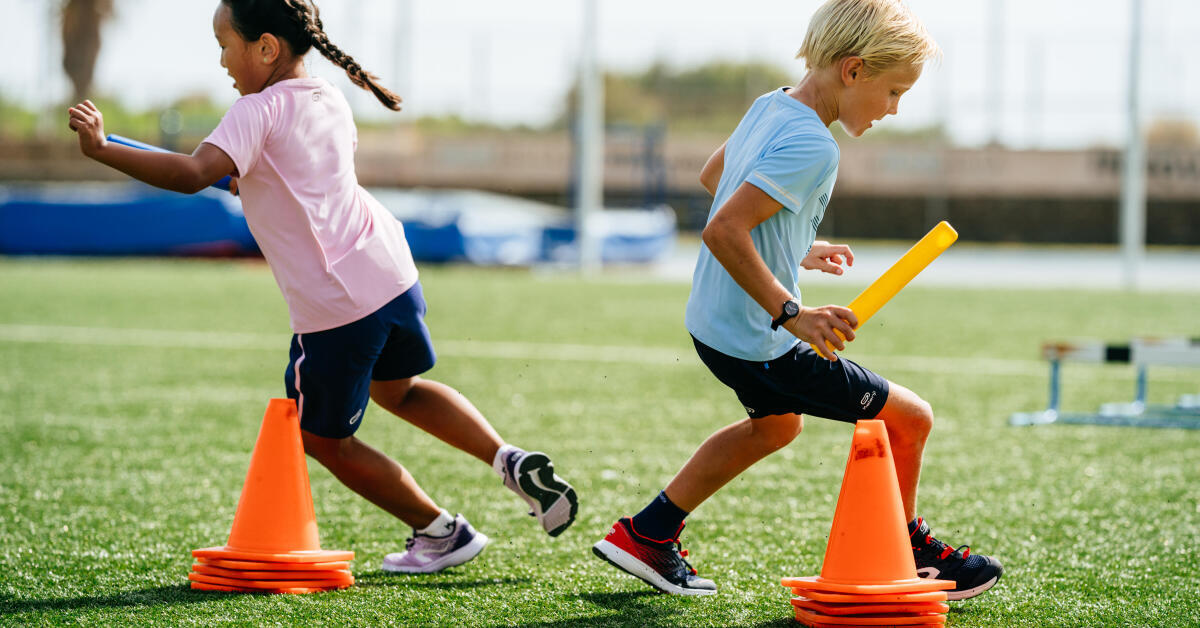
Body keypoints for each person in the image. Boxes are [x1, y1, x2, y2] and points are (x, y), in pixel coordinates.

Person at [67, 0, 577, 574]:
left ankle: (441, 532)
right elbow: (279, 175)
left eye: (224, 45)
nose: (221, 61)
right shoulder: (327, 97)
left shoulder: (253, 111)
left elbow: (192, 174)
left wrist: (104, 148)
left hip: (337, 307)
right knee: (401, 390)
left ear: (265, 47)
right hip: (391, 276)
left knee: (321, 439)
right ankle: (507, 458)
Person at [592, 0, 1002, 600]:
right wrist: (794, 312)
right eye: (893, 93)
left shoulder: (770, 104)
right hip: (764, 340)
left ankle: (647, 533)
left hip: (714, 326)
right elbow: (723, 228)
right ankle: (908, 551)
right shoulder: (817, 146)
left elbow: (716, 178)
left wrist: (794, 245)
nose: (893, 110)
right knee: (911, 420)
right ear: (854, 71)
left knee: (775, 429)